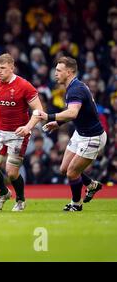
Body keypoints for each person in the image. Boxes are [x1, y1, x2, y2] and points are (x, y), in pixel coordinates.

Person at [34, 56, 107, 211]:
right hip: (81, 134)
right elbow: (78, 113)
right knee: (64, 169)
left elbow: (73, 113)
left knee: (72, 173)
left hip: (92, 137)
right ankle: (91, 185)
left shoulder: (75, 89)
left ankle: (76, 204)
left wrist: (49, 116)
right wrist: (58, 122)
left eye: (59, 70)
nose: (55, 73)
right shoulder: (75, 86)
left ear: (69, 72)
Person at [0, 53, 43, 211]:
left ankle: (20, 199)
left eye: (3, 68)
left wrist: (28, 127)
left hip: (18, 134)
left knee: (11, 173)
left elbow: (39, 111)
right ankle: (3, 193)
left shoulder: (24, 86)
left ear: (12, 68)